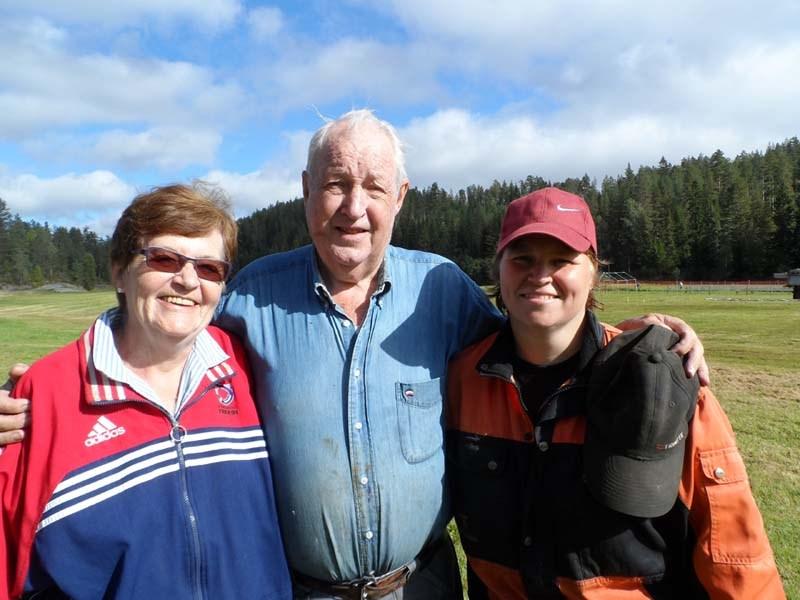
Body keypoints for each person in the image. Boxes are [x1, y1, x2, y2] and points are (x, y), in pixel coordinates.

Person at [0, 111, 708, 599]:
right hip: (301, 588)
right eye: (335, 182)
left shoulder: (444, 289)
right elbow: (166, 318)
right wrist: (55, 383)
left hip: (425, 583)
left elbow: (538, 337)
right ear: (306, 191)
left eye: (373, 186)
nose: (353, 206)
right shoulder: (251, 295)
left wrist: (638, 343)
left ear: (399, 197)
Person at [446, 187, 784, 598]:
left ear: (593, 272)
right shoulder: (461, 379)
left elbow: (733, 545)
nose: (540, 275)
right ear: (498, 268)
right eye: (523, 259)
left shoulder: (661, 378)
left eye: (562, 260)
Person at [0, 184, 292, 599]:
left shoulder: (245, 368)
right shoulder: (42, 396)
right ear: (119, 271)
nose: (188, 280)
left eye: (209, 268)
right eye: (164, 259)